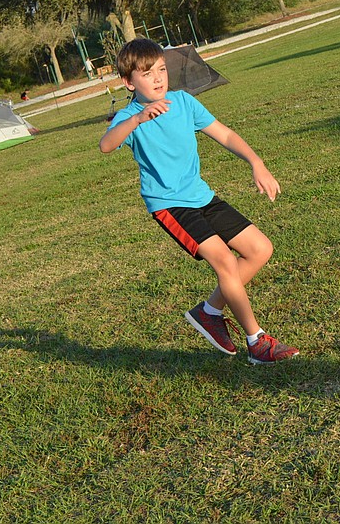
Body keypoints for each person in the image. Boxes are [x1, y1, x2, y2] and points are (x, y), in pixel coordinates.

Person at [99, 38, 299, 365]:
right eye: (147, 74)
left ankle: (209, 312)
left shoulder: (183, 102)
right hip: (169, 205)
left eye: (161, 69)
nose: (158, 78)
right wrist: (136, 120)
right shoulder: (129, 116)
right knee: (223, 259)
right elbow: (106, 145)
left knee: (260, 249)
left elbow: (225, 134)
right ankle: (257, 341)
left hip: (202, 196)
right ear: (128, 82)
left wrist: (256, 162)